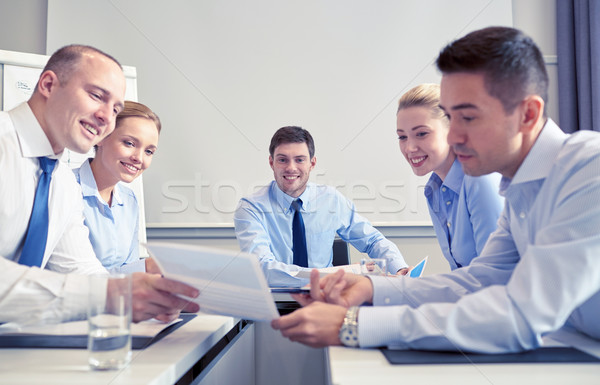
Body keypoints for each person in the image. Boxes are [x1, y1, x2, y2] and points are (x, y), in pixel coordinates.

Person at [271, 26, 600, 353]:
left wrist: (354, 325)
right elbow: (479, 280)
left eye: (468, 118)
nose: (454, 137)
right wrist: (371, 287)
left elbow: (520, 314)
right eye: (451, 119)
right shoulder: (517, 188)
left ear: (528, 114)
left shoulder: (589, 169)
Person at [0, 44, 199, 326]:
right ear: (48, 84)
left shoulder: (63, 184)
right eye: (96, 96)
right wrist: (112, 294)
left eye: (116, 109)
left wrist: (142, 299)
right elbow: (98, 291)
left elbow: (81, 271)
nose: (107, 117)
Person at [234, 126, 409, 286]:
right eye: (282, 160)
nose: (291, 168)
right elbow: (263, 269)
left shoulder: (331, 200)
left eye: (300, 159)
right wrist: (336, 275)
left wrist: (398, 267)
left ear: (312, 163)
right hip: (275, 302)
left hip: (326, 300)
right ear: (272, 163)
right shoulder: (251, 208)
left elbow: (372, 240)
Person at [396, 83, 503, 269]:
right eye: (402, 137)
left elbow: (495, 274)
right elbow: (460, 273)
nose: (409, 148)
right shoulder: (434, 189)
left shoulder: (480, 179)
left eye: (421, 134)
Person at [74, 101, 160, 273]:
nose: (139, 158)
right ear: (101, 138)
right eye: (129, 143)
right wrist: (146, 268)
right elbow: (73, 274)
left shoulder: (129, 201)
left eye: (149, 152)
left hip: (117, 298)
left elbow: (128, 267)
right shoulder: (66, 187)